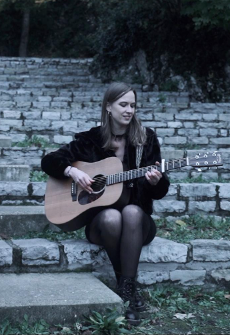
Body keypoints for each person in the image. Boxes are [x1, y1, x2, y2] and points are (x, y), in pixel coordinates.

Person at [41, 82, 170, 325]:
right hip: (101, 224)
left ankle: (125, 292)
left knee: (130, 211)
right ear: (108, 107)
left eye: (133, 105)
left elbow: (160, 192)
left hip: (138, 224)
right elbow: (49, 161)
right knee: (112, 217)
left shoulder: (146, 139)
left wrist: (155, 182)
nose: (129, 110)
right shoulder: (90, 140)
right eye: (123, 104)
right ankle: (129, 290)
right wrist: (72, 171)